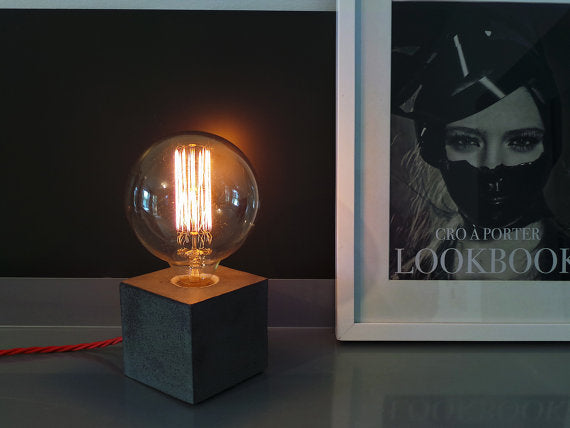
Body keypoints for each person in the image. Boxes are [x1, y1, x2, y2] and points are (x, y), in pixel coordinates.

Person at [390, 20, 569, 280]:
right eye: (466, 141)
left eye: (521, 142)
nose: (492, 164)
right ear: (434, 148)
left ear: (550, 147)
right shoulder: (407, 282)